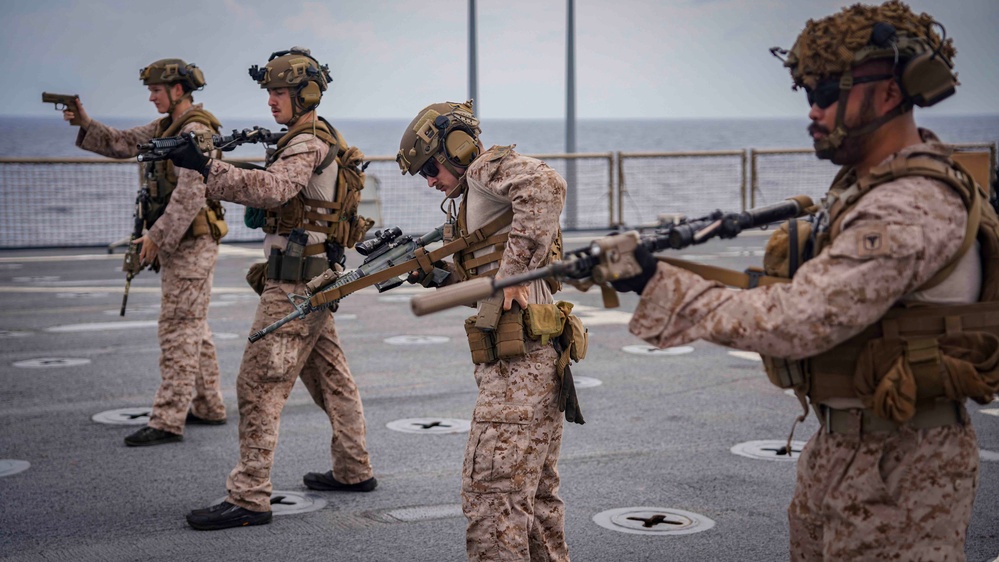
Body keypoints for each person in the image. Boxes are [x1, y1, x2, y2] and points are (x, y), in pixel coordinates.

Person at [612, 1, 999, 559]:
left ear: (889, 94)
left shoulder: (907, 206)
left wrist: (659, 284)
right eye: (808, 94)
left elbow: (799, 320)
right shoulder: (868, 190)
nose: (813, 111)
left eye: (825, 93)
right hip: (849, 444)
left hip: (903, 466)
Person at [172, 47, 376, 531]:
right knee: (331, 378)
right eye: (268, 92)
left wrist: (207, 168)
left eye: (279, 92)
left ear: (305, 93)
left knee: (258, 384)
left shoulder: (305, 142)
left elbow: (271, 190)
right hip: (314, 279)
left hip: (294, 286)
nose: (271, 101)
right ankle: (353, 468)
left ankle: (249, 496)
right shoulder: (310, 136)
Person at [397, 100, 572, 561]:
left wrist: (512, 273)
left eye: (430, 168)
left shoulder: (483, 171)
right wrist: (441, 278)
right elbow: (487, 277)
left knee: (492, 498)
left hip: (519, 365)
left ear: (455, 148)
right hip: (534, 356)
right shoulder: (475, 198)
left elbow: (547, 185)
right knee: (532, 499)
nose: (430, 181)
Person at [64, 59, 228, 447]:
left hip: (191, 243)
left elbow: (192, 192)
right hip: (180, 242)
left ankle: (168, 419)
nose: (151, 96)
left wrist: (156, 236)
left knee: (177, 328)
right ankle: (208, 405)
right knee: (194, 326)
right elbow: (122, 143)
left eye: (156, 89)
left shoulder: (196, 130)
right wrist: (86, 122)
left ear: (178, 90)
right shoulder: (164, 127)